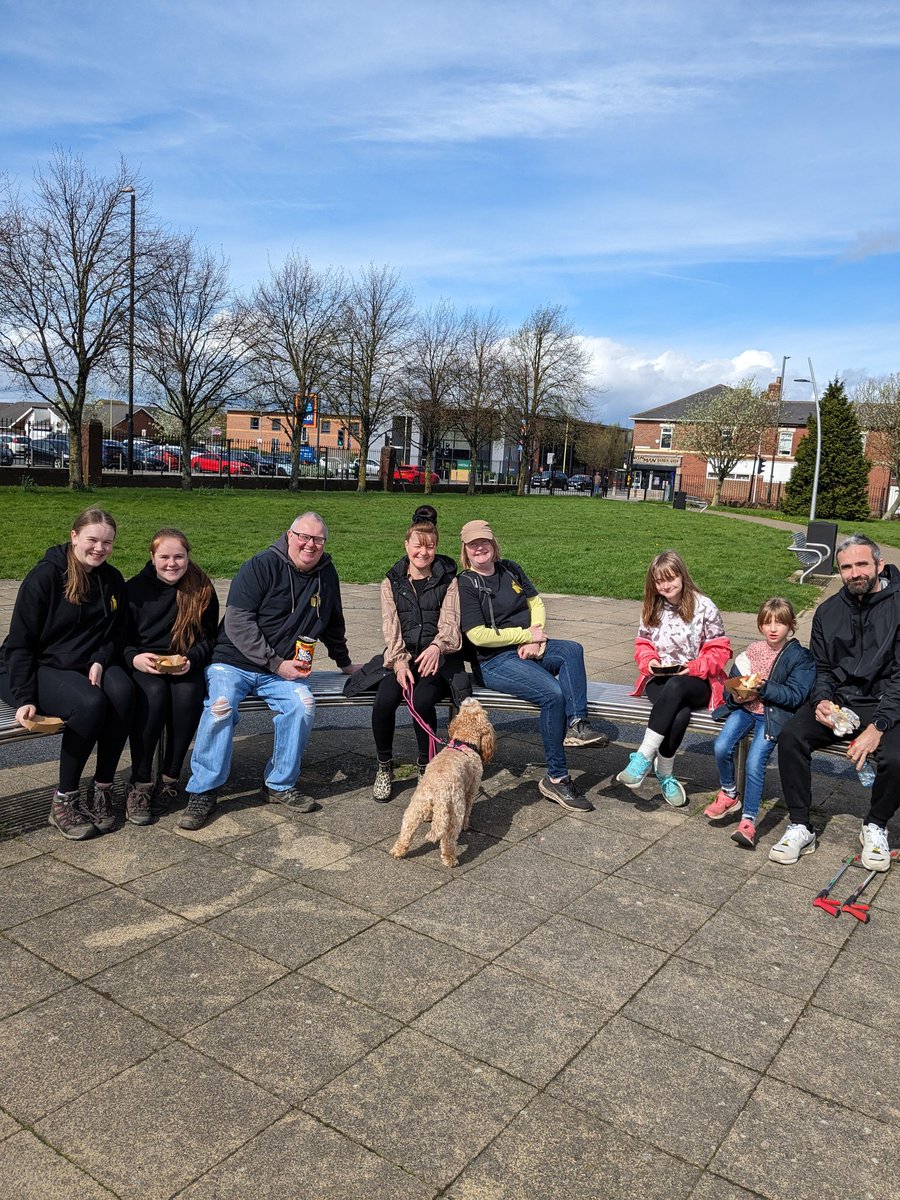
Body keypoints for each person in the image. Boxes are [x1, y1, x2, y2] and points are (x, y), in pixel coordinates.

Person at [180, 512, 360, 831]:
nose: (310, 544)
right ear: (289, 535)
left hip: (281, 671)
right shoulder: (260, 565)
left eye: (318, 539)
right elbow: (237, 622)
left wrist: (344, 663)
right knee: (220, 708)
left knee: (302, 705)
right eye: (304, 536)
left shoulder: (326, 573)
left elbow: (333, 621)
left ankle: (279, 783)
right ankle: (203, 790)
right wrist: (276, 663)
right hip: (233, 662)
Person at [457, 518, 607, 813]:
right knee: (553, 694)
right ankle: (557, 777)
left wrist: (535, 638)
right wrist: (526, 635)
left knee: (572, 650)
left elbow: (535, 603)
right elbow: (477, 636)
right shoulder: (466, 583)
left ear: (493, 543)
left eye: (484, 541)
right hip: (494, 661)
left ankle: (577, 724)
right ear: (465, 549)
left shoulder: (510, 568)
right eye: (473, 544)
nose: (480, 548)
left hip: (528, 646)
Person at [0, 507, 133, 840]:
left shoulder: (112, 579)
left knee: (124, 693)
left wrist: (101, 659)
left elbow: (117, 634)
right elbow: (20, 644)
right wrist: (25, 697)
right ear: (74, 536)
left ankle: (102, 789)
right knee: (89, 704)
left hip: (84, 662)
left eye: (108, 543)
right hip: (34, 665)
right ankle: (63, 800)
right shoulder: (45, 576)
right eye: (92, 540)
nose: (99, 549)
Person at [771, 534, 900, 870]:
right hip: (842, 700)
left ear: (878, 565)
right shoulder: (828, 611)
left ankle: (875, 824)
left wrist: (879, 726)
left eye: (861, 564)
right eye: (846, 567)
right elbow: (823, 667)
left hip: (889, 702)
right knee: (791, 736)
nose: (854, 573)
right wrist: (822, 701)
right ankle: (800, 824)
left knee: (897, 757)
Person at [359, 507, 470, 801]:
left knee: (421, 701)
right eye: (418, 545)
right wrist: (398, 662)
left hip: (439, 656)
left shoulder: (449, 578)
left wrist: (437, 646)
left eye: (430, 546)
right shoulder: (391, 581)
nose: (424, 552)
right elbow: (390, 625)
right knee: (384, 701)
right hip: (403, 656)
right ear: (406, 544)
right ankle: (384, 766)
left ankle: (426, 765)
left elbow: (450, 620)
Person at [617, 550, 730, 806]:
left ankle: (643, 757)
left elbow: (720, 649)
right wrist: (650, 662)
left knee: (678, 685)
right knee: (679, 713)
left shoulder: (704, 606)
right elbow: (642, 644)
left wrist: (694, 667)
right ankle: (665, 773)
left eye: (671, 578)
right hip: (660, 679)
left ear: (682, 575)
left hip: (697, 680)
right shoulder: (652, 606)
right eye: (659, 581)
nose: (666, 585)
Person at [124, 529, 220, 825]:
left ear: (188, 557)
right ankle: (140, 782)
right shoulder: (134, 590)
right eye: (164, 557)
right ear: (152, 558)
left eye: (179, 556)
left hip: (184, 661)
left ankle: (170, 777)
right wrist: (134, 658)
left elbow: (211, 638)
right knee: (153, 697)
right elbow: (119, 639)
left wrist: (193, 659)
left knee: (188, 696)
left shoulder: (201, 588)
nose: (172, 563)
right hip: (145, 663)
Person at [706, 598, 815, 848]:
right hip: (746, 709)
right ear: (760, 626)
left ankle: (748, 821)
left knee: (755, 762)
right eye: (767, 623)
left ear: (791, 626)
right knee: (722, 745)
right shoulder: (752, 651)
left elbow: (796, 696)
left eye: (780, 623)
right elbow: (731, 686)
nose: (773, 628)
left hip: (773, 714)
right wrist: (735, 693)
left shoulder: (799, 657)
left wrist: (764, 688)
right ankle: (729, 793)